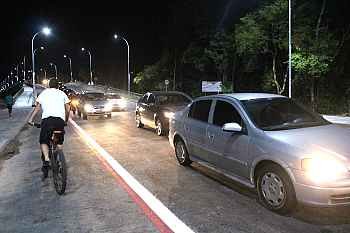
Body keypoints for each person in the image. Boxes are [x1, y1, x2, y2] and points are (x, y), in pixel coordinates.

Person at [28, 79, 70, 179]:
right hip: (60, 121)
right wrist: (65, 120)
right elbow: (68, 108)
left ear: (48, 86)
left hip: (47, 121)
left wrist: (30, 119)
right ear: (58, 86)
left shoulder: (44, 93)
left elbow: (37, 108)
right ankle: (59, 154)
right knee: (59, 142)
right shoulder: (62, 93)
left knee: (43, 141)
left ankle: (46, 159)